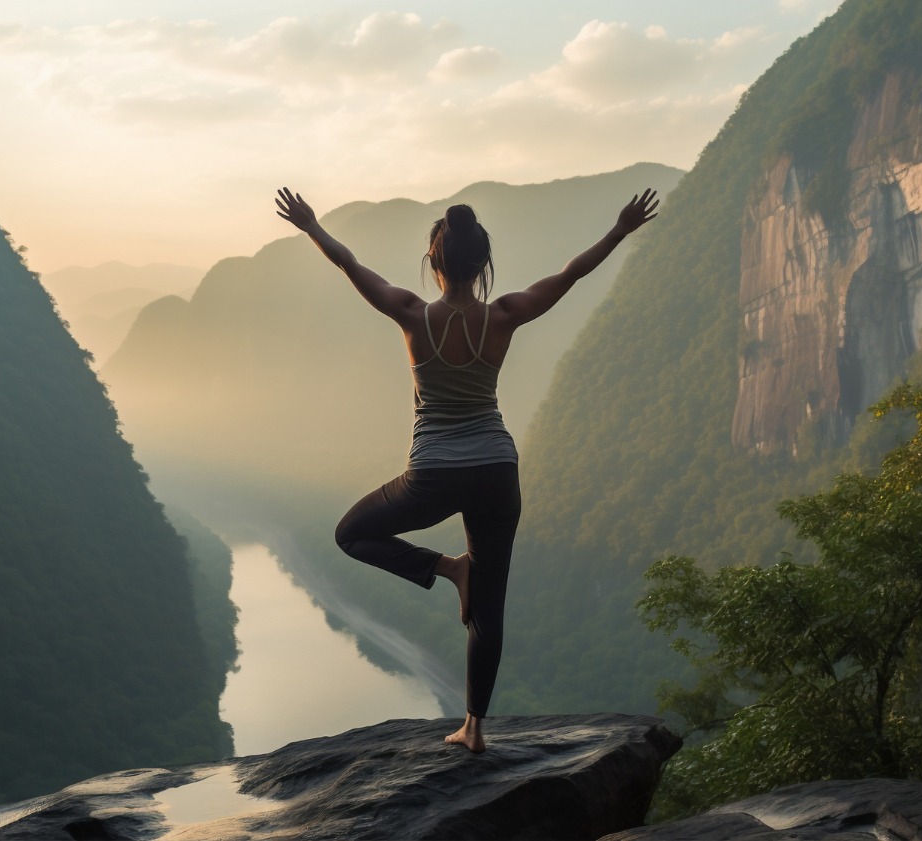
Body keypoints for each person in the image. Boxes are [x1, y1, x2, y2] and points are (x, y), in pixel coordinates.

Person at [274, 186, 659, 753]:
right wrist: (620, 230)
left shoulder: (410, 313)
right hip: (497, 472)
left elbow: (349, 263)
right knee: (491, 603)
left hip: (432, 474)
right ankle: (475, 728)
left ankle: (447, 569)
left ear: (433, 262)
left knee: (351, 534)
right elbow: (571, 273)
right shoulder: (504, 315)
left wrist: (311, 226)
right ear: (483, 265)